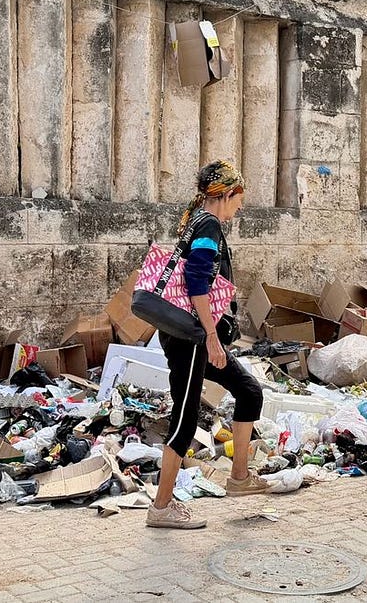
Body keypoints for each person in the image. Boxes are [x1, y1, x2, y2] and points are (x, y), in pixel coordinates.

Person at [147, 160, 267, 530]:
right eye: (239, 199)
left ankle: (239, 478)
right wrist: (212, 338)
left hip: (197, 336)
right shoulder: (208, 224)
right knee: (184, 422)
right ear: (227, 194)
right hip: (192, 340)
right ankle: (161, 508)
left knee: (249, 391)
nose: (241, 207)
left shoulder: (199, 221)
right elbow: (196, 282)